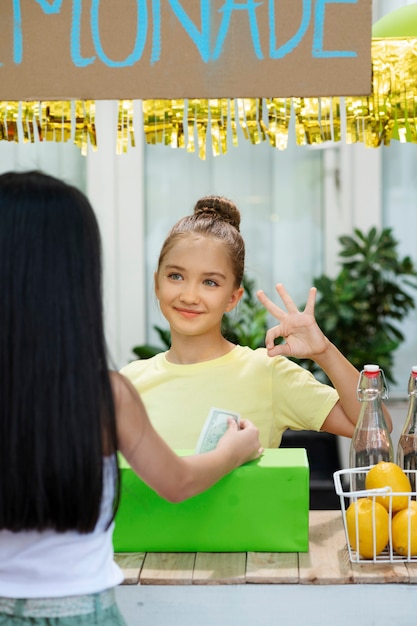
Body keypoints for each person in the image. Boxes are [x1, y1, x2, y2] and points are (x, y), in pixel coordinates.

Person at [0, 173, 262, 626]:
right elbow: (177, 482)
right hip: (83, 612)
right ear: (78, 276)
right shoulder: (107, 394)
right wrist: (231, 452)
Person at [121, 195, 392, 451]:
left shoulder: (267, 373)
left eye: (210, 282)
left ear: (233, 298)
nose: (189, 296)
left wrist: (324, 352)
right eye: (176, 276)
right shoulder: (129, 382)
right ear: (157, 283)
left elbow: (376, 429)